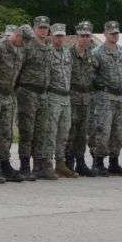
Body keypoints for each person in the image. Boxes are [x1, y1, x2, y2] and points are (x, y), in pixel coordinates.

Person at [0, 25, 30, 182]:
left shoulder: (20, 50)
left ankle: (5, 163)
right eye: (23, 40)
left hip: (8, 94)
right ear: (16, 35)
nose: (24, 44)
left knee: (6, 132)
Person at [90, 21, 122, 177]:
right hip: (104, 97)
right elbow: (92, 75)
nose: (114, 35)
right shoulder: (97, 53)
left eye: (116, 33)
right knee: (103, 130)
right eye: (112, 33)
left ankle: (114, 162)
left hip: (120, 97)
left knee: (118, 131)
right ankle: (98, 162)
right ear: (105, 34)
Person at [16, 16, 51, 181]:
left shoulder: (48, 47)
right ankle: (24, 167)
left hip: (43, 94)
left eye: (45, 28)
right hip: (27, 92)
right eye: (40, 28)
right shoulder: (28, 46)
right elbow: (18, 69)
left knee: (40, 131)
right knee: (27, 131)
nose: (43, 31)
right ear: (34, 28)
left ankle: (39, 166)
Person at [44, 23, 77, 178]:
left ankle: (60, 163)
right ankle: (47, 163)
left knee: (64, 131)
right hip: (53, 95)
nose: (59, 38)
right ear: (51, 35)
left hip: (66, 96)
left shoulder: (67, 52)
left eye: (61, 36)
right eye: (57, 35)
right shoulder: (47, 52)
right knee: (51, 131)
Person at [66, 21, 96, 177]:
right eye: (82, 36)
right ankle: (68, 162)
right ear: (77, 36)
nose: (85, 38)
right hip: (72, 97)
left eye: (87, 36)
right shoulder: (68, 54)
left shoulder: (92, 55)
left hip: (86, 98)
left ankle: (81, 162)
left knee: (83, 133)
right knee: (70, 131)